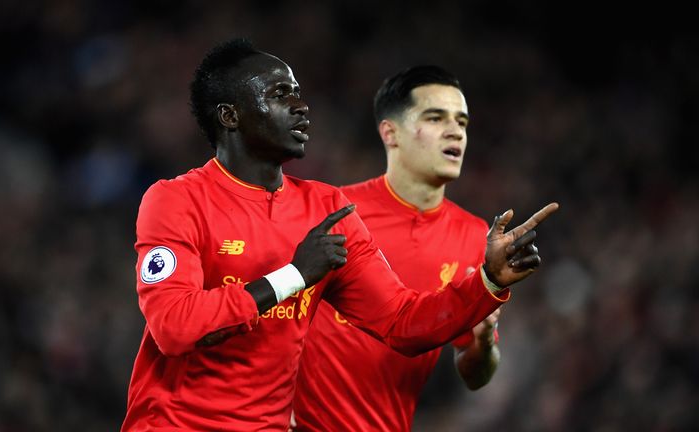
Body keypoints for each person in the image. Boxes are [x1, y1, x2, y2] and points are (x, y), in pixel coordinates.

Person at [120, 38, 557, 431]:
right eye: (279, 94)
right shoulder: (175, 200)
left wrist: (488, 280)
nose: (300, 106)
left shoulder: (325, 209)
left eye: (297, 91)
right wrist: (293, 275)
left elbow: (403, 323)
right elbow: (174, 327)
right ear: (230, 116)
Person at [294, 65, 506, 431]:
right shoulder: (335, 211)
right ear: (390, 132)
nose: (455, 130)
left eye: (462, 121)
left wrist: (484, 343)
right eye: (436, 118)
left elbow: (474, 375)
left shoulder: (475, 236)